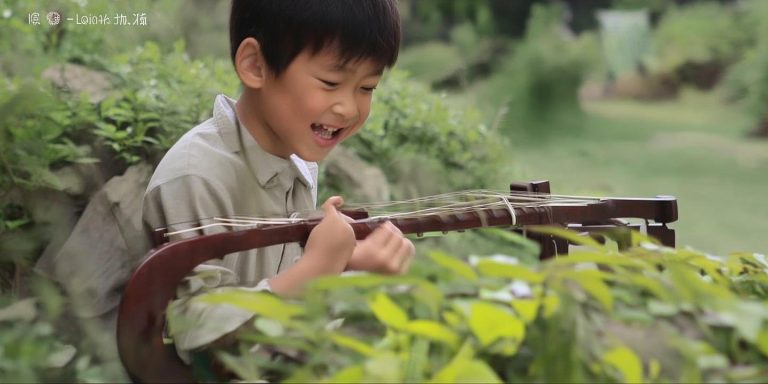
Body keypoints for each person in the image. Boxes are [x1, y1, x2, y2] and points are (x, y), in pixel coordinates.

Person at [141, 0, 413, 360]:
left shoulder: (296, 165)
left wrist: (350, 266)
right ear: (255, 65)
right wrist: (317, 270)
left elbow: (284, 322)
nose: (349, 108)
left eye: (366, 88)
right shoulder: (196, 175)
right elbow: (198, 332)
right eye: (331, 82)